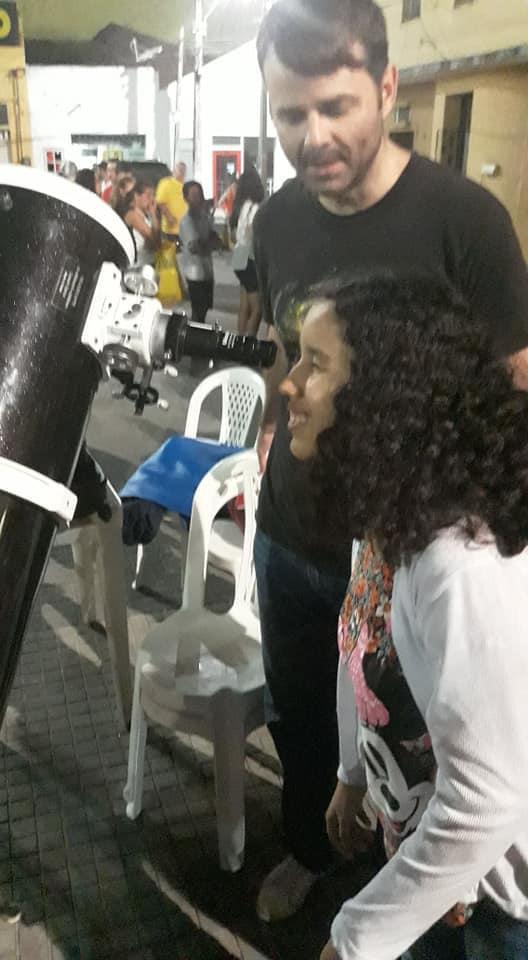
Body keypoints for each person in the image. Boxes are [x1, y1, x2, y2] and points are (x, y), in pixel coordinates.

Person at [251, 0, 528, 923]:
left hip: (411, 551)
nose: (313, 136)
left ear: (386, 87)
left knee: (435, 752)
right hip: (296, 536)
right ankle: (310, 850)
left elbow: (511, 404)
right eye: (290, 114)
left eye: (334, 106)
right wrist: (262, 460)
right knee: (306, 714)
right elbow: (281, 360)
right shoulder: (275, 221)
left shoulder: (466, 223)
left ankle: (423, 890)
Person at [275, 274, 528, 960]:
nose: (289, 383)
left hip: (501, 907)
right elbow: (360, 648)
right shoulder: (395, 511)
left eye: (316, 363)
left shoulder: (458, 560)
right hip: (438, 864)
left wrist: (357, 938)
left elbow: (486, 799)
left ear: (380, 395)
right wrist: (351, 774)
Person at [230, 164, 265, 335]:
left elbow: (232, 235)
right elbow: (253, 232)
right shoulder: (255, 208)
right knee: (257, 308)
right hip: (249, 256)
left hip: (238, 254)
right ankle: (248, 343)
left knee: (244, 304)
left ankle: (239, 340)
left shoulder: (239, 207)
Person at [179, 180, 217, 326]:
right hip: (194, 273)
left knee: (204, 310)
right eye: (193, 195)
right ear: (186, 198)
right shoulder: (186, 221)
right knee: (198, 312)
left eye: (199, 194)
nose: (198, 198)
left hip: (207, 271)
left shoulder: (204, 218)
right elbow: (195, 247)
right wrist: (209, 243)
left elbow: (215, 241)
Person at [124, 180, 161, 267]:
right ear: (136, 196)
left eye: (153, 195)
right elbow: (153, 240)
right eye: (148, 195)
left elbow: (157, 241)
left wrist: (153, 214)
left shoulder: (147, 215)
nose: (151, 199)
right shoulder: (132, 214)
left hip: (150, 261)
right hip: (138, 264)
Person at [155, 161, 188, 245]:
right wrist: (169, 217)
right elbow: (160, 202)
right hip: (171, 230)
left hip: (184, 230)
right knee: (170, 251)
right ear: (173, 171)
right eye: (180, 170)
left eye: (184, 170)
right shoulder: (166, 183)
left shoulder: (185, 186)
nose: (182, 172)